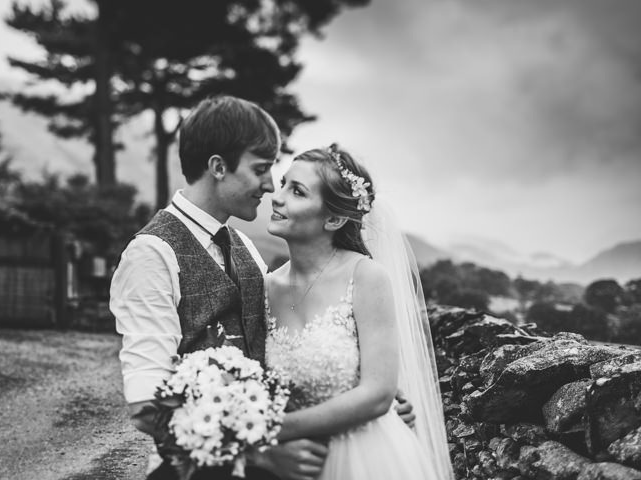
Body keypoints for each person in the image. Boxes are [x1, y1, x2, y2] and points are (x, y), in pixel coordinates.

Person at [111, 95, 415, 480]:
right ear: (219, 167)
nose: (271, 187)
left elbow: (272, 356)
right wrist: (257, 453)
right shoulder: (150, 254)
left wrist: (374, 397)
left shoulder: (248, 253)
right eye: (262, 170)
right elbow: (147, 406)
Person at [260, 144, 454, 479]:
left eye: (297, 191)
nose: (277, 198)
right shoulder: (264, 288)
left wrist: (271, 429)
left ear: (333, 219)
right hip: (293, 462)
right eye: (283, 185)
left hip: (364, 457)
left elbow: (378, 394)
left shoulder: (366, 277)